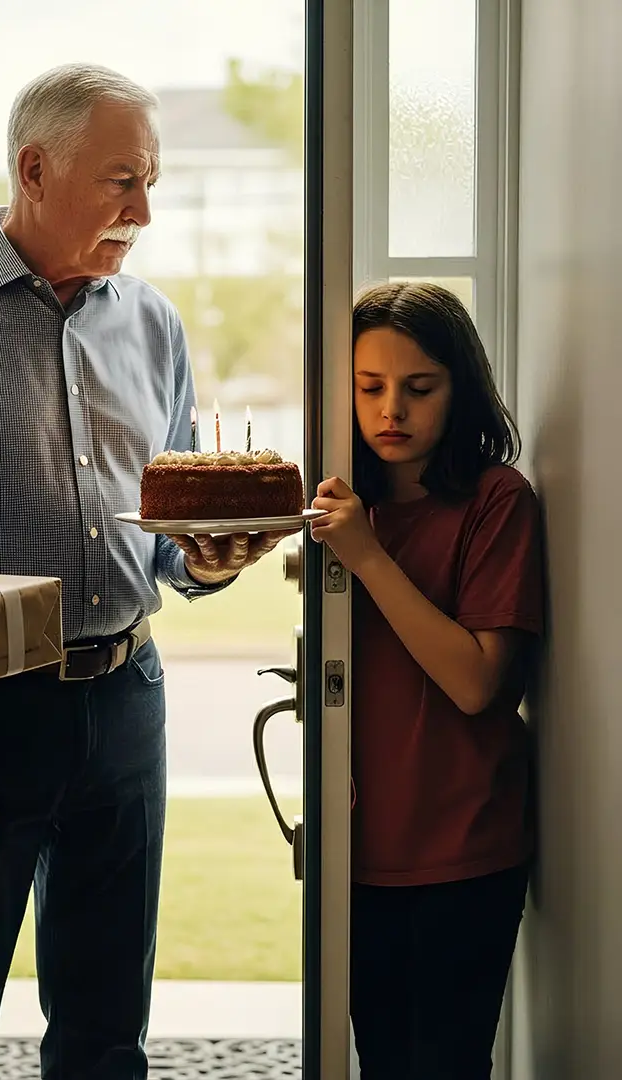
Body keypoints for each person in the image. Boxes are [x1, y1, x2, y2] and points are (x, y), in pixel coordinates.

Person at [0, 62, 289, 1079]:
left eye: (151, 184)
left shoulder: (156, 323)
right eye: (121, 181)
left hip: (129, 698)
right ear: (35, 169)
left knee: (106, 1030)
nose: (144, 210)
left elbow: (173, 545)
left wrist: (215, 563)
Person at [310, 281, 543, 1079]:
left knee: (446, 1065)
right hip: (355, 850)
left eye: (419, 388)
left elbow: (480, 684)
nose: (390, 412)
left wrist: (368, 557)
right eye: (369, 388)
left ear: (461, 388)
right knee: (379, 1063)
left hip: (464, 849)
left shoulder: (496, 502)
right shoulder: (338, 508)